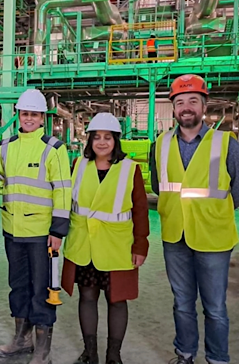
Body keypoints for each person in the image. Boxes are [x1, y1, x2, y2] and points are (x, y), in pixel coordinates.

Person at [150, 74, 239, 364]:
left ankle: (217, 358)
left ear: (204, 106)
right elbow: (159, 186)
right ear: (174, 108)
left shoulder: (225, 143)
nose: (186, 107)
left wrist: (212, 213)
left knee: (215, 307)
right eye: (180, 102)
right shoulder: (160, 144)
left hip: (214, 238)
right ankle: (185, 353)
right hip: (175, 236)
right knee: (182, 303)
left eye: (193, 101)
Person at [61, 113, 150, 364]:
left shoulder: (130, 169)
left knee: (117, 300)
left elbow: (140, 210)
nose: (102, 142)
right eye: (97, 137)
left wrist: (140, 244)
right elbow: (68, 202)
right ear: (89, 140)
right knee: (87, 297)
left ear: (115, 141)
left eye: (107, 137)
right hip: (83, 245)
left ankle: (113, 356)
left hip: (117, 246)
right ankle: (90, 353)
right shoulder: (79, 165)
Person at [0, 89, 72, 364]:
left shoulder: (54, 148)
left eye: (34, 115)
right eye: (25, 113)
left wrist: (58, 230)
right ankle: (22, 339)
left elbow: (63, 190)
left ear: (42, 118)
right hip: (12, 230)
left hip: (41, 234)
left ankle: (42, 349)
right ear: (18, 115)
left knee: (42, 289)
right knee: (18, 287)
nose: (29, 118)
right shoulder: (4, 147)